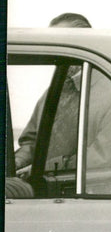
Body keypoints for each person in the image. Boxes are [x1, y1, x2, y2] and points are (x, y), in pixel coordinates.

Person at [14, 13, 92, 171]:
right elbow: (31, 142)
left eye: (63, 44)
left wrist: (42, 168)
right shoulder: (52, 93)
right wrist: (15, 162)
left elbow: (104, 159)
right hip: (46, 183)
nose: (56, 53)